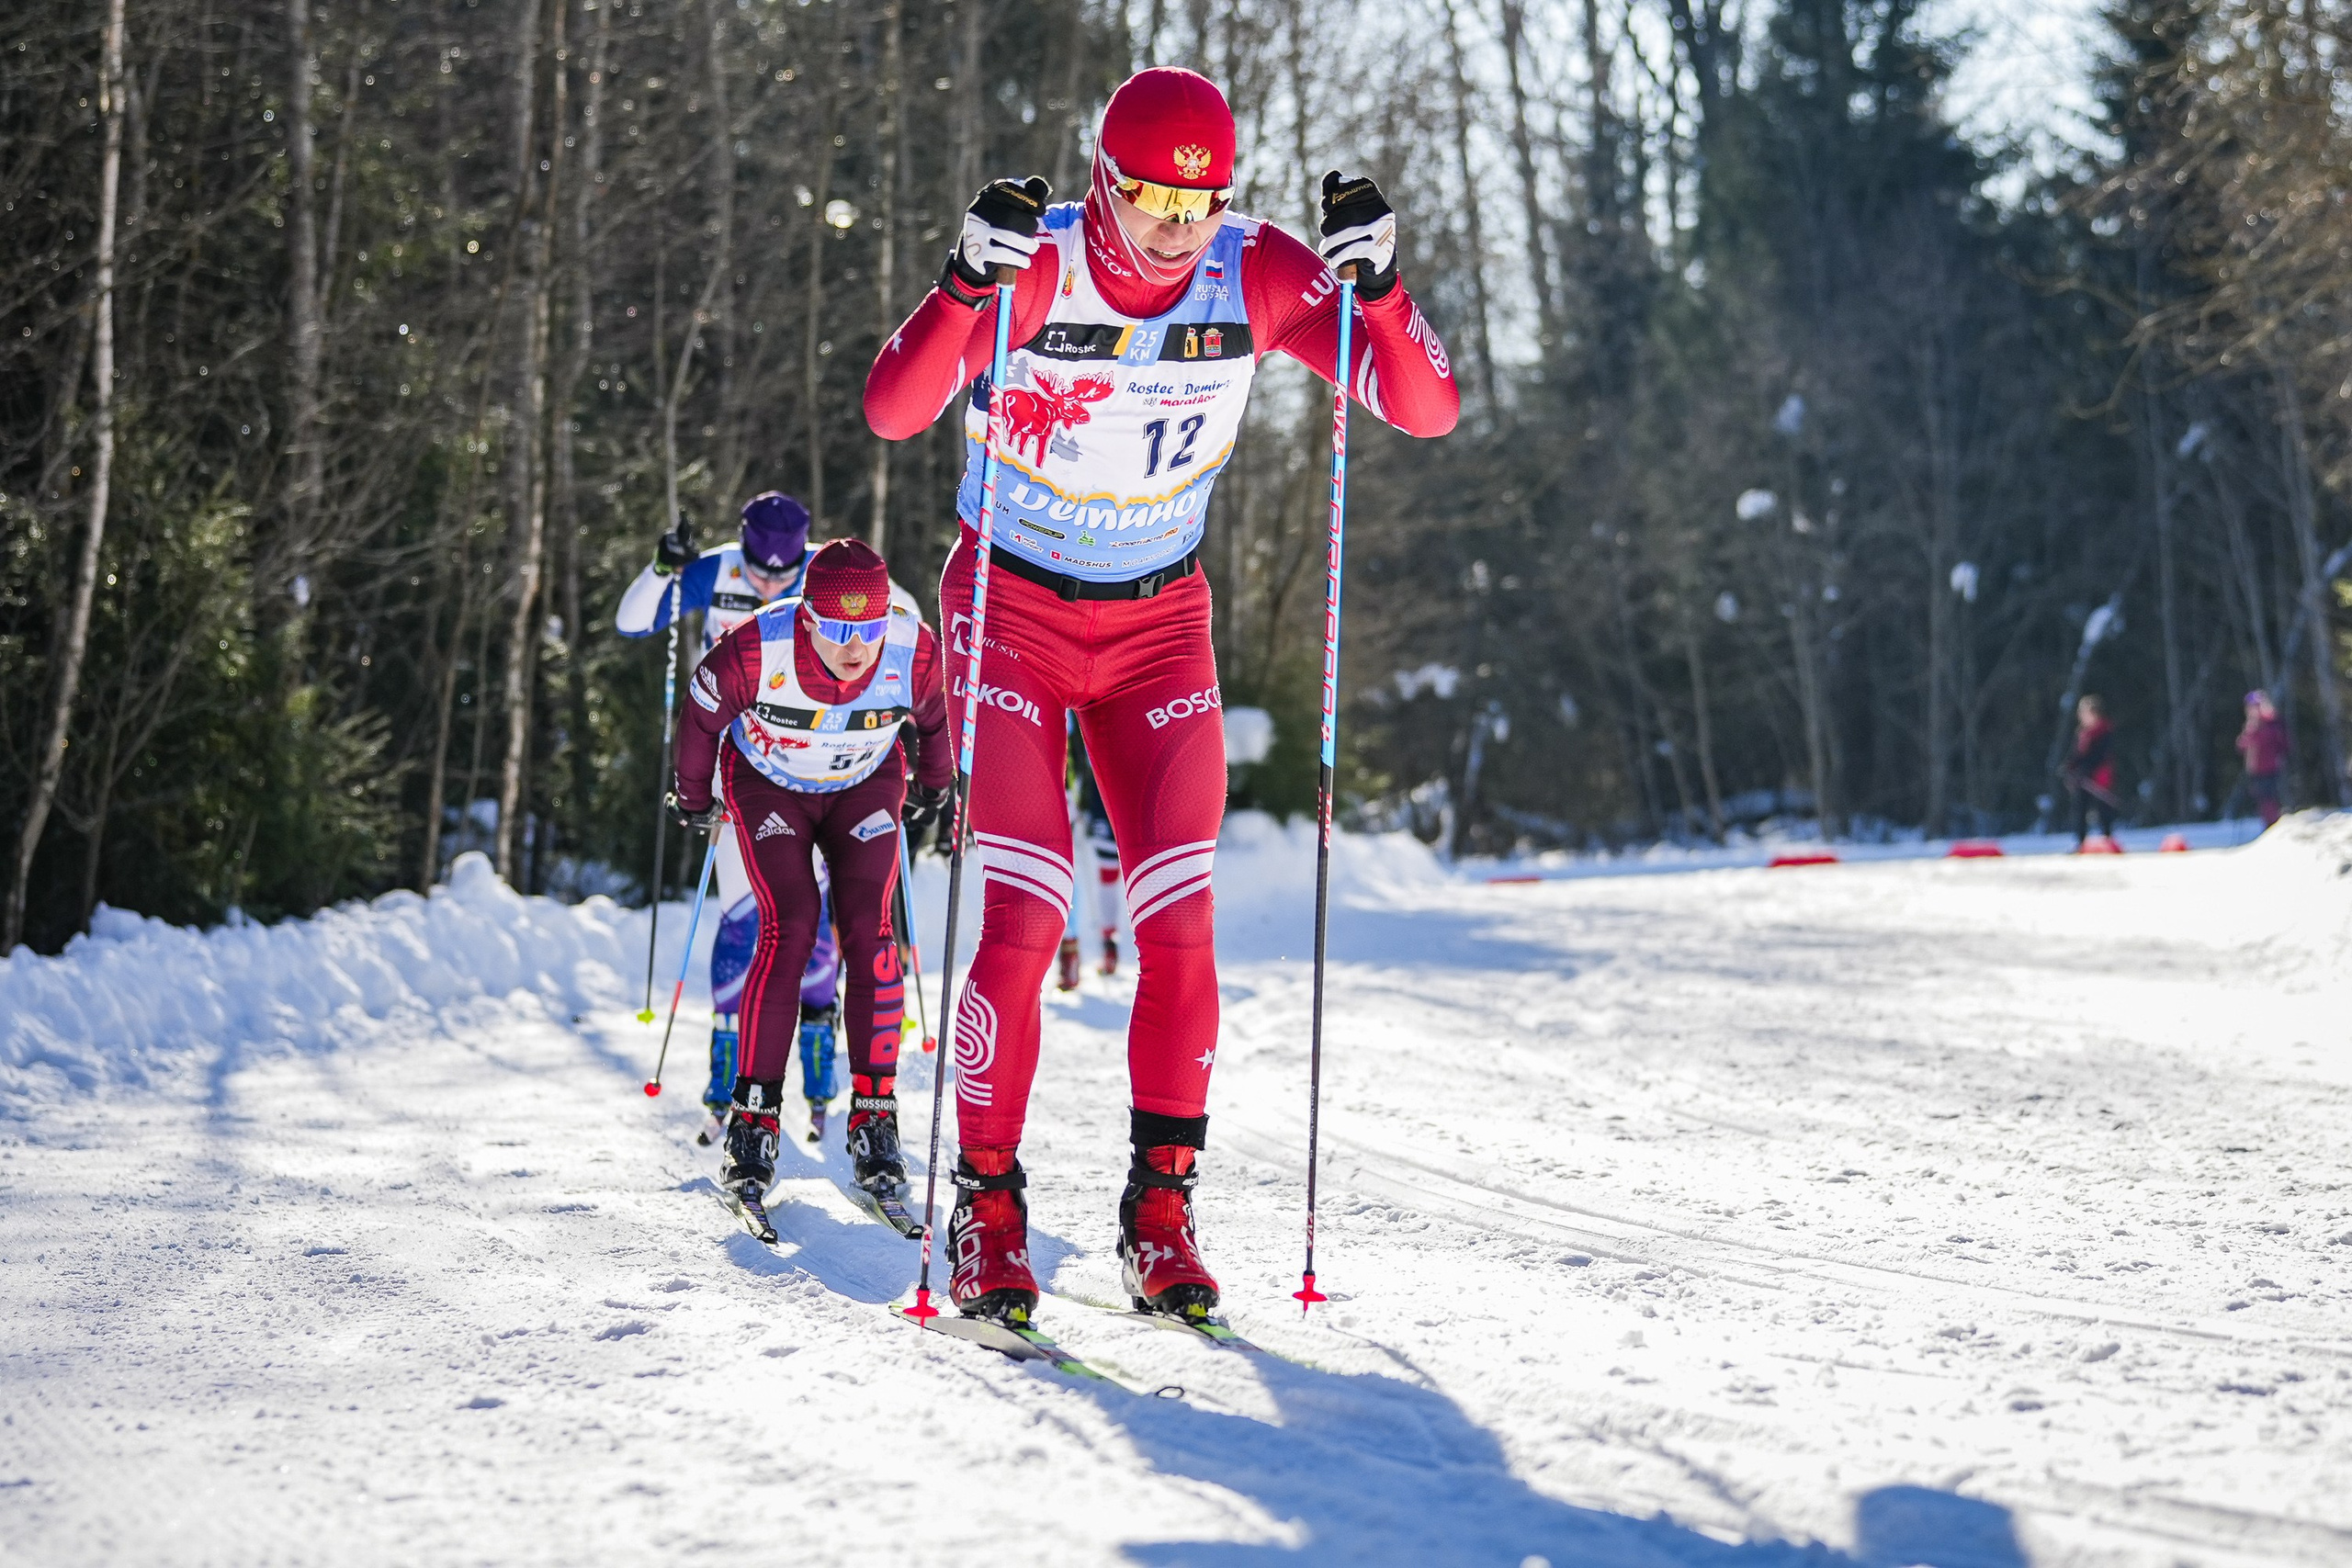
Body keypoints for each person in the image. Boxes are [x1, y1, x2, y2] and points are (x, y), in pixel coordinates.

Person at [863, 66, 1458, 1325]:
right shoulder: (1034, 264)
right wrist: (964, 282)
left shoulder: (1254, 271)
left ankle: (1160, 1211)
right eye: (1151, 199)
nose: (1178, 228)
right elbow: (894, 406)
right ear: (1103, 179)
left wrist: (1384, 287)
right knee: (1027, 912)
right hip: (1009, 612)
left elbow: (1425, 405)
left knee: (1179, 924)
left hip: (1156, 625)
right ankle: (990, 1208)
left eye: (1202, 200)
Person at [670, 539, 953, 1236]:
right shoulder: (755, 647)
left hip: (863, 785)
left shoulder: (913, 649)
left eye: (869, 626)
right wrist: (692, 794)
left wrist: (939, 787)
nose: (855, 647)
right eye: (836, 629)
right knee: (791, 924)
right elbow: (701, 717)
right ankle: (754, 1123)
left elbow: (939, 717)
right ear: (806, 619)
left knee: (870, 928)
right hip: (771, 786)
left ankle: (874, 1121)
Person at [616, 492, 846, 1141]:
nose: (772, 582)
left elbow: (898, 623)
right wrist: (662, 569)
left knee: (813, 913)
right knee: (744, 914)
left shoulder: (826, 573)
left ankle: (820, 1070)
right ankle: (727, 1074)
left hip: (818, 764)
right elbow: (633, 622)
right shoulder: (714, 571)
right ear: (741, 545)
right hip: (734, 769)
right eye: (759, 569)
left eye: (785, 571)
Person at [2062, 694, 2120, 848]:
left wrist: (2086, 769)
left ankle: (2108, 840)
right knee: (2080, 808)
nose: (2080, 716)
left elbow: (2100, 755)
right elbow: (2077, 755)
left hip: (2100, 776)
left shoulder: (2105, 730)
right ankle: (2081, 843)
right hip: (2083, 778)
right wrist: (2070, 766)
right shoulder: (2082, 733)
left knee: (2103, 810)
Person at [2235, 689, 2289, 828]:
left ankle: (2274, 824)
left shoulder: (2270, 721)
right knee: (2262, 799)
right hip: (2256, 768)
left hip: (2269, 766)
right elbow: (2242, 745)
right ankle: (2269, 825)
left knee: (2270, 798)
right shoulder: (2253, 724)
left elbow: (2277, 742)